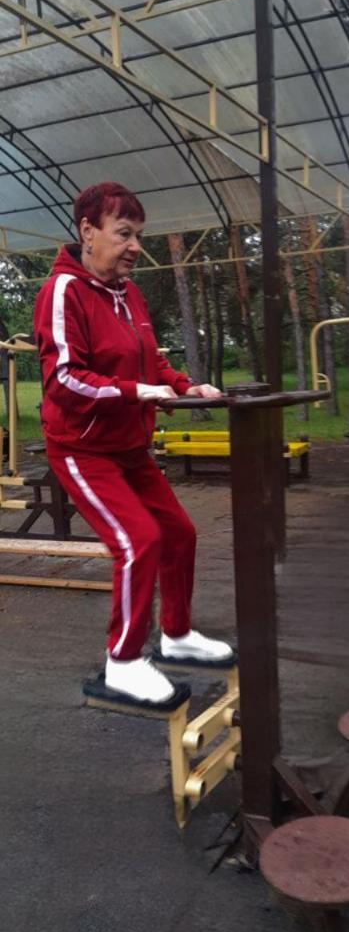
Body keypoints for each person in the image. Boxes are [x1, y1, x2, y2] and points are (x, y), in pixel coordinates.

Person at [33, 181, 233, 708]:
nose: (135, 247)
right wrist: (134, 391)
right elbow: (63, 381)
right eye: (124, 234)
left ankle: (177, 635)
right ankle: (123, 662)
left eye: (138, 236)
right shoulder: (63, 292)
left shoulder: (128, 294)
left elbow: (152, 362)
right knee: (137, 540)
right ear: (88, 231)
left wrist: (186, 386)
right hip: (81, 449)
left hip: (128, 447)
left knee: (179, 534)